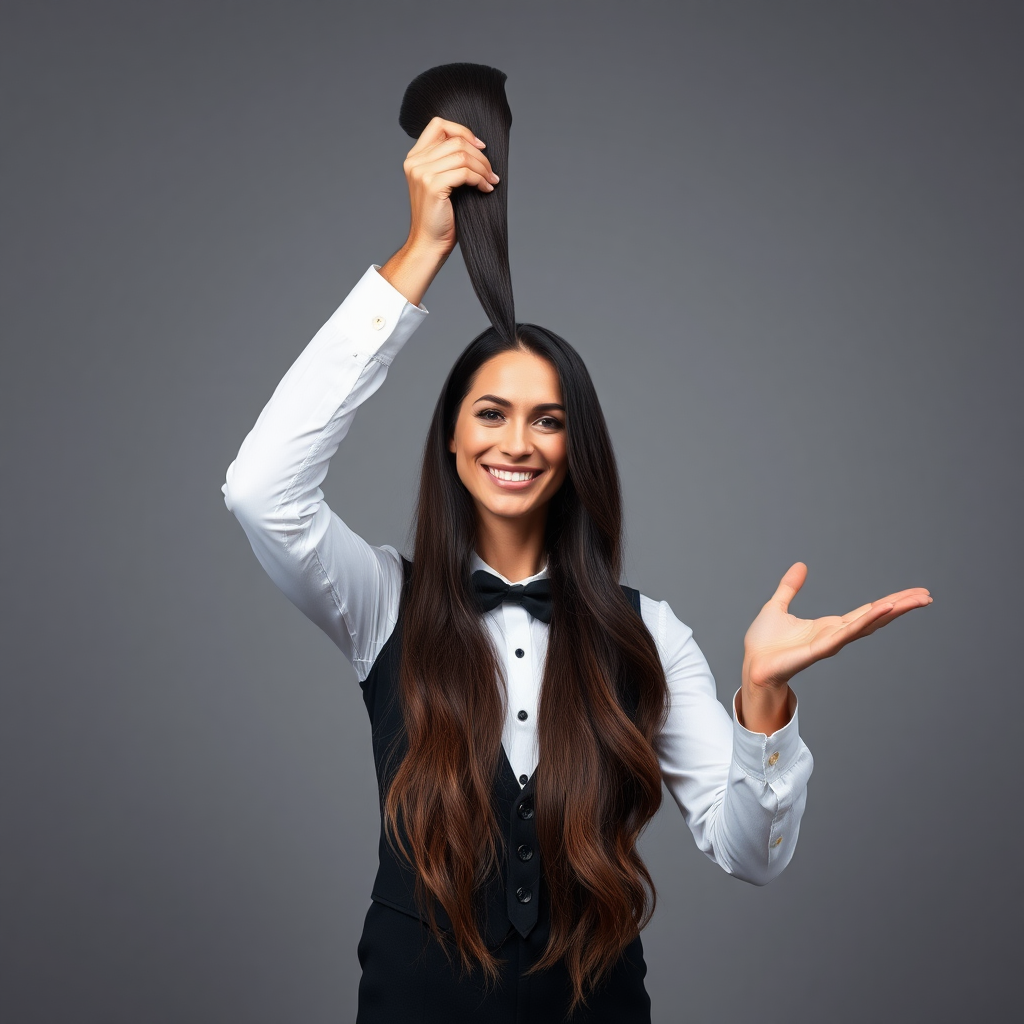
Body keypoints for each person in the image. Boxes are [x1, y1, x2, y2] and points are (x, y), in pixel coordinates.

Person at [222, 109, 931, 1023]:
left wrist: (762, 702)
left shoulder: (650, 634)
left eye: (548, 419)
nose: (517, 441)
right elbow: (261, 487)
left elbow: (752, 854)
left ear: (575, 446)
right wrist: (418, 255)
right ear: (450, 438)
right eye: (490, 413)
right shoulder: (380, 602)